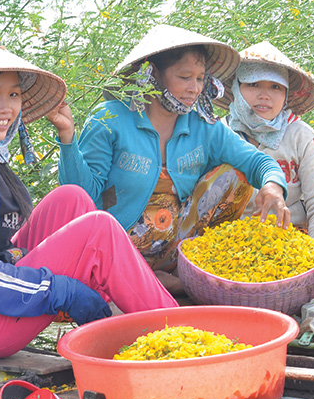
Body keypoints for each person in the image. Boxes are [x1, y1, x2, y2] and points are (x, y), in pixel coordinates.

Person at [0, 37, 177, 360]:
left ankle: (115, 323)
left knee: (73, 199)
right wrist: (59, 291)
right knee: (99, 231)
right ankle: (180, 335)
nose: (6, 108)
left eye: (13, 94)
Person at [55, 25, 290, 294]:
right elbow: (82, 194)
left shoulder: (203, 125)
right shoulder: (111, 119)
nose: (194, 88)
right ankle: (142, 279)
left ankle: (185, 271)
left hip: (177, 244)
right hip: (118, 249)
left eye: (200, 78)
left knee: (235, 176)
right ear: (153, 74)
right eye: (184, 77)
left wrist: (273, 185)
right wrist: (67, 138)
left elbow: (256, 162)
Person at [216, 41, 314, 243]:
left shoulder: (304, 138)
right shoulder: (217, 134)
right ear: (236, 88)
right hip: (229, 238)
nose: (264, 95)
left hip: (291, 238)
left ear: (286, 95)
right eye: (253, 84)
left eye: (275, 87)